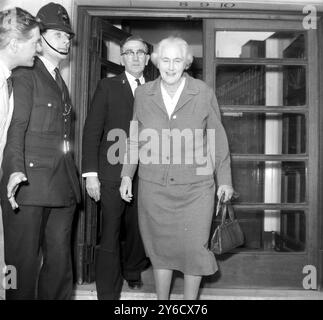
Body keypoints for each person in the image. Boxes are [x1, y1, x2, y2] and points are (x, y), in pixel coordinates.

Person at [120, 36, 234, 300]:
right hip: (154, 188)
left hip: (196, 189)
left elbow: (218, 138)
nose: (171, 67)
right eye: (166, 60)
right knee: (160, 251)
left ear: (186, 64)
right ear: (157, 62)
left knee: (194, 250)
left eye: (177, 60)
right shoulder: (143, 93)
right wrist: (127, 174)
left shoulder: (202, 92)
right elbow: (135, 137)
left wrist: (225, 180)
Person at [0, 2, 81, 300]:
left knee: (60, 268)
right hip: (28, 188)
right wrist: (14, 171)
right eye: (59, 35)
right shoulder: (23, 75)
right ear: (40, 39)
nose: (66, 41)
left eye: (68, 37)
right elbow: (14, 131)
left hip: (61, 187)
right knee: (20, 268)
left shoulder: (59, 80)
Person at [82, 36, 150, 300]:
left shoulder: (155, 89)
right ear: (122, 58)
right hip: (111, 173)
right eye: (129, 52)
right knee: (110, 231)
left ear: (146, 58)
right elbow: (91, 132)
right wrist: (91, 175)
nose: (134, 57)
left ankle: (132, 272)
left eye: (140, 52)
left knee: (138, 229)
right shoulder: (108, 86)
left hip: (145, 174)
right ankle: (107, 294)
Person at [0, 7, 40, 299]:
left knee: (8, 267)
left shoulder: (9, 79)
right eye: (35, 41)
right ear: (14, 43)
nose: (39, 47)